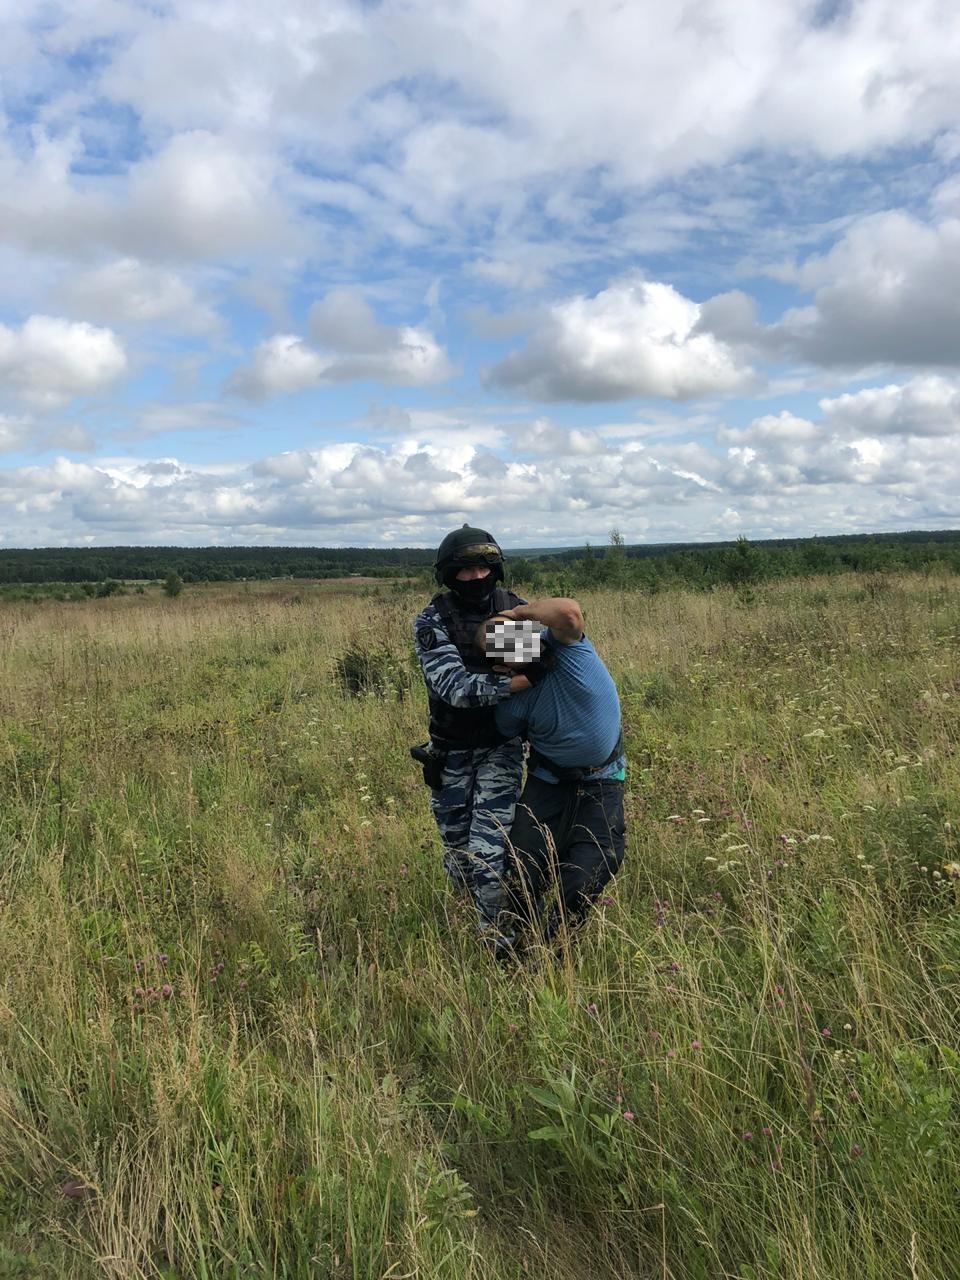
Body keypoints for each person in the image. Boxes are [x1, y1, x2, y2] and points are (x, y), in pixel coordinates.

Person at [412, 525, 548, 951]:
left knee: (488, 851)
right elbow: (454, 686)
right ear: (447, 576)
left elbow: (535, 668)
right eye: (463, 570)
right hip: (450, 751)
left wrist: (522, 679)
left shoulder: (517, 610)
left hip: (499, 747)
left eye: (481, 567)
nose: (474, 577)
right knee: (457, 856)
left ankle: (493, 939)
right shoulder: (434, 620)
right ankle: (472, 918)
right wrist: (513, 683)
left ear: (495, 567)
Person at [481, 597, 626, 949]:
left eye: (523, 640)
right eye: (510, 652)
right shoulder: (512, 700)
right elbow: (502, 728)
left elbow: (568, 613)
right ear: (501, 667)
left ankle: (557, 945)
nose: (525, 653)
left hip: (603, 779)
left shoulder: (567, 648)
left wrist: (515, 612)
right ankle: (520, 945)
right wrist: (512, 685)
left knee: (590, 869)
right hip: (548, 783)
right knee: (521, 871)